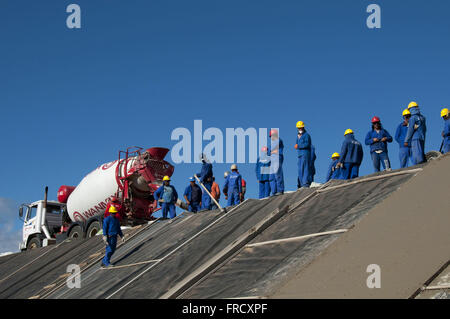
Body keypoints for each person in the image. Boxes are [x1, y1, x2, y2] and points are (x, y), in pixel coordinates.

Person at [295, 121, 313, 188]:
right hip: (299, 155)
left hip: (305, 154)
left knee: (305, 168)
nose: (299, 129)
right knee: (300, 169)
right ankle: (302, 184)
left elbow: (307, 144)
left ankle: (305, 183)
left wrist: (298, 146)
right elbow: (297, 143)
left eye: (300, 128)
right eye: (298, 128)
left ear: (303, 127)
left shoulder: (306, 135)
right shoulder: (298, 136)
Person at [268, 129, 284, 195]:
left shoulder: (278, 140)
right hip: (272, 159)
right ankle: (274, 191)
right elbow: (269, 152)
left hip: (277, 158)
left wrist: (271, 151)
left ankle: (280, 190)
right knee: (271, 176)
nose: (271, 137)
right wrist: (272, 151)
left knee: (278, 174)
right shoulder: (272, 143)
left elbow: (272, 149)